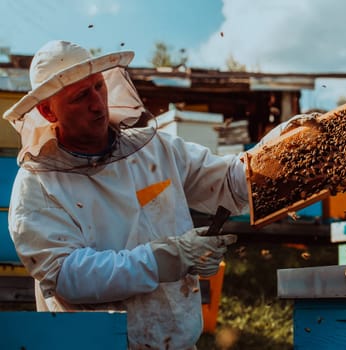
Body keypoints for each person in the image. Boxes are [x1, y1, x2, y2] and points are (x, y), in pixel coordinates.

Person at [3, 40, 248, 349]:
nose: (97, 103)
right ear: (47, 110)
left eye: (98, 86)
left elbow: (227, 179)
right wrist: (164, 259)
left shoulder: (156, 149)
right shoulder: (35, 186)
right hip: (95, 343)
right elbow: (66, 274)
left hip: (180, 340)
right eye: (80, 96)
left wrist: (274, 155)